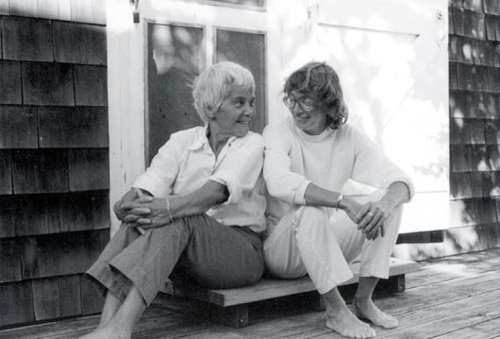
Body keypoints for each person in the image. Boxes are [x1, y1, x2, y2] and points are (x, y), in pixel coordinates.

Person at [80, 62, 266, 339]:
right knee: (137, 219)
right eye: (240, 102)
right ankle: (106, 326)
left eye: (251, 102)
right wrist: (130, 204)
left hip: (241, 255)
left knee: (181, 216)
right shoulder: (182, 141)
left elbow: (214, 194)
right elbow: (149, 183)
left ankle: (122, 327)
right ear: (212, 107)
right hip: (185, 255)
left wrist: (166, 208)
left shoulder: (253, 144)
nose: (249, 111)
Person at [263, 62, 414, 339]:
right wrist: (342, 201)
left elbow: (400, 180)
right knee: (312, 209)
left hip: (323, 243)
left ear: (327, 102)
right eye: (292, 100)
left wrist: (382, 206)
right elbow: (278, 182)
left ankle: (363, 300)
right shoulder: (278, 132)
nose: (297, 109)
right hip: (282, 253)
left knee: (387, 200)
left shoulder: (348, 137)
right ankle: (335, 311)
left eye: (305, 100)